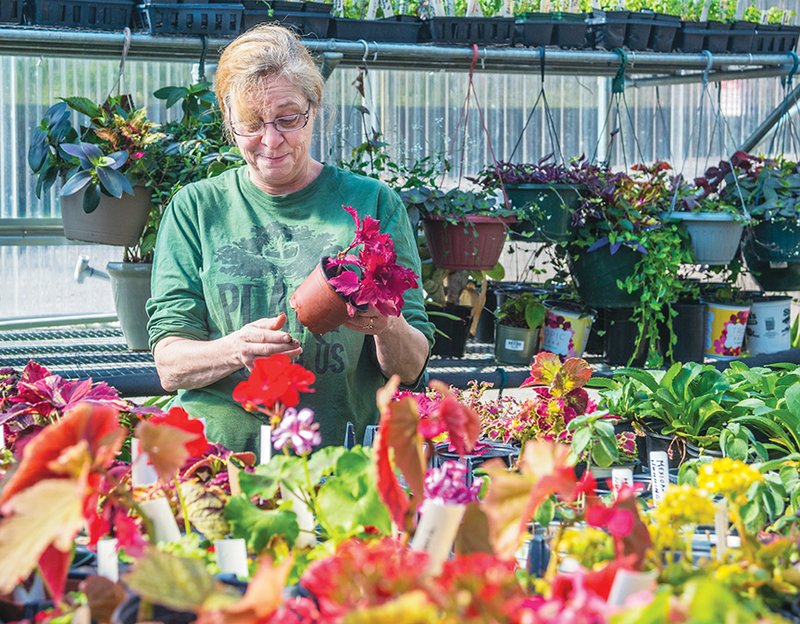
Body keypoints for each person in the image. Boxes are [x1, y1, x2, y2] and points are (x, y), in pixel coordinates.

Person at [146, 25, 434, 453]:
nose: (270, 139)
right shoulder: (196, 209)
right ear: (229, 122)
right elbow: (170, 364)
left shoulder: (373, 203)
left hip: (342, 463)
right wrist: (234, 348)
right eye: (250, 123)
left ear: (313, 108)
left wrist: (386, 324)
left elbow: (411, 367)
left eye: (287, 118)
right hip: (221, 462)